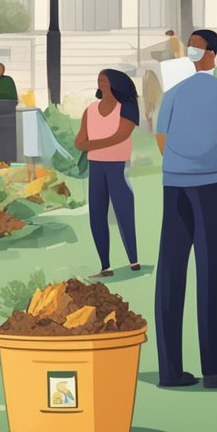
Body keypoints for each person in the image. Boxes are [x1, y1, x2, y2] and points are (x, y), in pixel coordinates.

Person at [154, 29, 217, 390]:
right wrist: (205, 158)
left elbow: (161, 136)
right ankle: (214, 369)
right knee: (209, 273)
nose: (193, 50)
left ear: (206, 52)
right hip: (208, 183)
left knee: (170, 272)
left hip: (173, 182)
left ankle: (170, 370)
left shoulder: (173, 93)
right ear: (214, 56)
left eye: (196, 45)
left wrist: (179, 161)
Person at [76, 69, 140, 277]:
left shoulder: (126, 108)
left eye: (106, 80)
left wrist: (91, 144)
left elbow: (120, 136)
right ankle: (105, 266)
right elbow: (79, 142)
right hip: (96, 166)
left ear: (116, 84)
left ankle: (134, 260)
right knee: (97, 215)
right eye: (100, 80)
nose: (101, 83)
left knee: (124, 211)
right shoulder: (91, 110)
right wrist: (91, 146)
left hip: (117, 165)